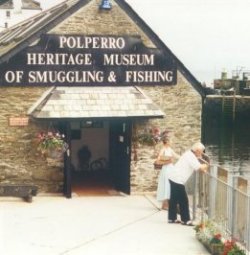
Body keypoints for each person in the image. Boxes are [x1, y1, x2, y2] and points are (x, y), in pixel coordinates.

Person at [167, 142, 209, 225]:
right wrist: (207, 165)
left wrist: (202, 166)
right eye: (201, 151)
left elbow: (198, 166)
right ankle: (186, 220)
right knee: (184, 200)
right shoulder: (191, 157)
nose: (202, 153)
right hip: (177, 179)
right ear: (197, 150)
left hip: (173, 177)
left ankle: (172, 218)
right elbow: (199, 167)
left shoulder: (189, 154)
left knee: (174, 199)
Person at [156, 137, 180, 210]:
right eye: (170, 140)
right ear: (166, 142)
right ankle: (165, 204)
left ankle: (166, 204)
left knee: (169, 185)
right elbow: (158, 159)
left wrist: (184, 158)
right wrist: (167, 160)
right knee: (166, 184)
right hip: (166, 168)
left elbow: (176, 156)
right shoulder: (163, 149)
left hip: (170, 168)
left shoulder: (170, 149)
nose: (171, 142)